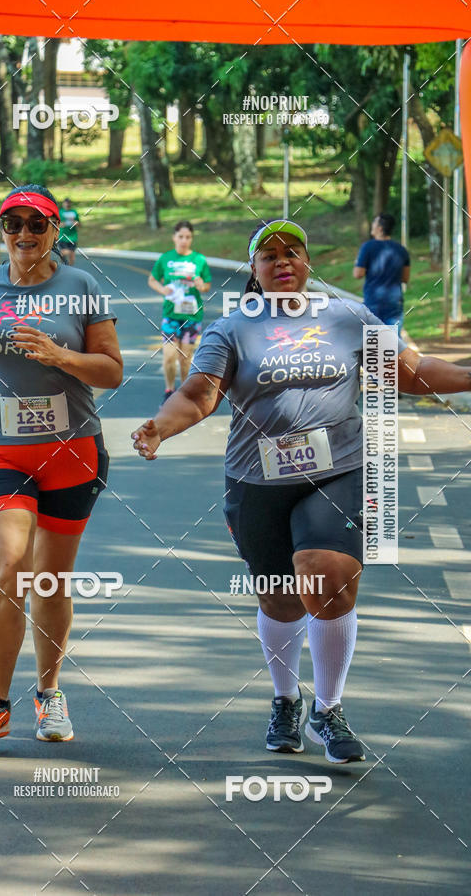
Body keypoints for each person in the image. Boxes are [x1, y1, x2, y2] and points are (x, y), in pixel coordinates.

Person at [132, 218, 471, 764]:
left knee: (326, 571)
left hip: (339, 470)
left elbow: (409, 370)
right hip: (256, 479)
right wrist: (160, 426)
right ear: (255, 271)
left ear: (308, 262)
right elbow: (199, 393)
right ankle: (286, 699)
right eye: (268, 255)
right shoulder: (233, 328)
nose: (282, 261)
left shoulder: (345, 316)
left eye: (292, 251)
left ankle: (328, 710)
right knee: (280, 597)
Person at [0, 184, 122, 751]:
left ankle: (48, 693)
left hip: (72, 450)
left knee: (50, 579)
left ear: (56, 230)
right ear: (1, 230)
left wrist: (61, 357)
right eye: (13, 223)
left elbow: (111, 371)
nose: (24, 234)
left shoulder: (80, 286)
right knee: (9, 567)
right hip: (0, 449)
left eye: (37, 223)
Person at [148, 221, 212, 403]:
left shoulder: (199, 260)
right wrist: (163, 290)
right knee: (169, 356)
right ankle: (169, 390)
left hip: (192, 316)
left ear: (191, 238)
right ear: (174, 237)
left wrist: (201, 285)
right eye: (181, 236)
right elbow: (152, 280)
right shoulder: (166, 258)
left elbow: (206, 286)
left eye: (188, 237)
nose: (184, 240)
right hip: (170, 316)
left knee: (185, 358)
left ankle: (185, 393)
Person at [354, 212, 410, 332]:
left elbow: (358, 274)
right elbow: (405, 278)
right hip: (395, 300)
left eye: (374, 223)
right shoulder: (401, 250)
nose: (372, 225)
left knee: (374, 342)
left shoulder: (367, 247)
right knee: (391, 341)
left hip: (374, 300)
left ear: (379, 228)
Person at [58, 197, 80, 265]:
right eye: (66, 203)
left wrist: (76, 223)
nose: (67, 204)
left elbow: (79, 223)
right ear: (63, 204)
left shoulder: (74, 212)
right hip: (63, 236)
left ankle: (70, 269)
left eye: (68, 203)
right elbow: (55, 223)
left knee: (72, 255)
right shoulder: (60, 212)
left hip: (73, 236)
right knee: (63, 253)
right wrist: (60, 224)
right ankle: (62, 268)